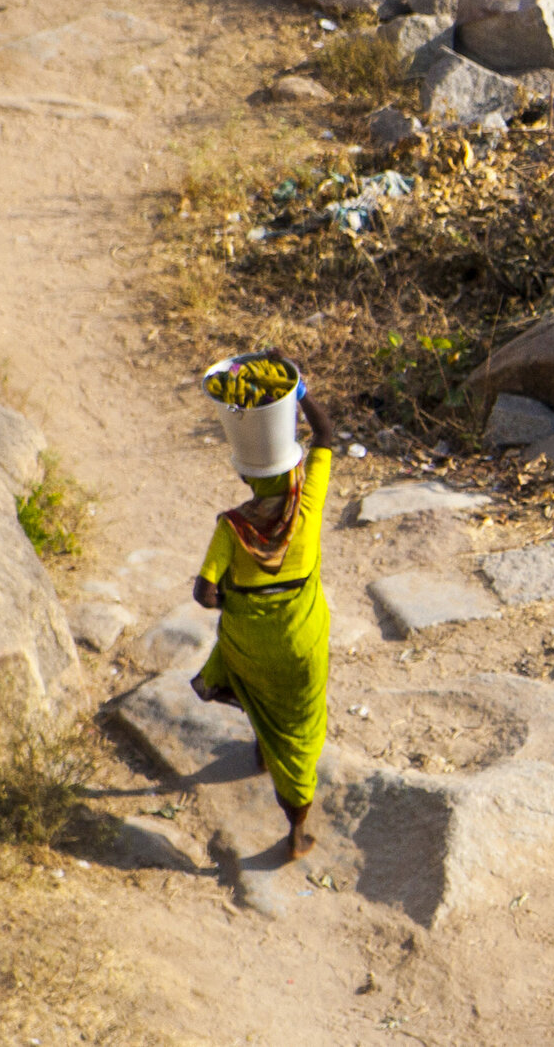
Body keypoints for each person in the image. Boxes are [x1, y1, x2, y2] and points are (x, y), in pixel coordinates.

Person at [190, 361, 334, 859]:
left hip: (250, 645)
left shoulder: (232, 528)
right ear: (291, 468)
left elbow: (205, 594)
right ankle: (296, 829)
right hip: (303, 641)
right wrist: (298, 390)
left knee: (252, 679)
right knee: (301, 721)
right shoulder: (309, 502)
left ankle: (259, 745)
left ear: (244, 475)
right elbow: (328, 435)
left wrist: (236, 600)